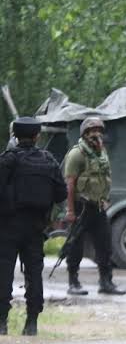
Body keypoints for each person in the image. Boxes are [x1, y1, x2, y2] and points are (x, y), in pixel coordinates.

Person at [0, 117, 67, 336]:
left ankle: (1, 323)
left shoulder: (7, 160)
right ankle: (31, 323)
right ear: (38, 136)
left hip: (8, 226)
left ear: (15, 136)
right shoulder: (48, 161)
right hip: (36, 227)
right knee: (34, 275)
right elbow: (61, 194)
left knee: (3, 274)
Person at [64, 117, 126, 296]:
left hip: (98, 206)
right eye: (92, 131)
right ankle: (73, 282)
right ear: (84, 133)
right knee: (76, 245)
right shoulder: (77, 154)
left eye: (99, 130)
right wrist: (70, 210)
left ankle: (106, 282)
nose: (96, 134)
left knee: (105, 246)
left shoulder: (101, 152)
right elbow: (70, 183)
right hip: (80, 206)